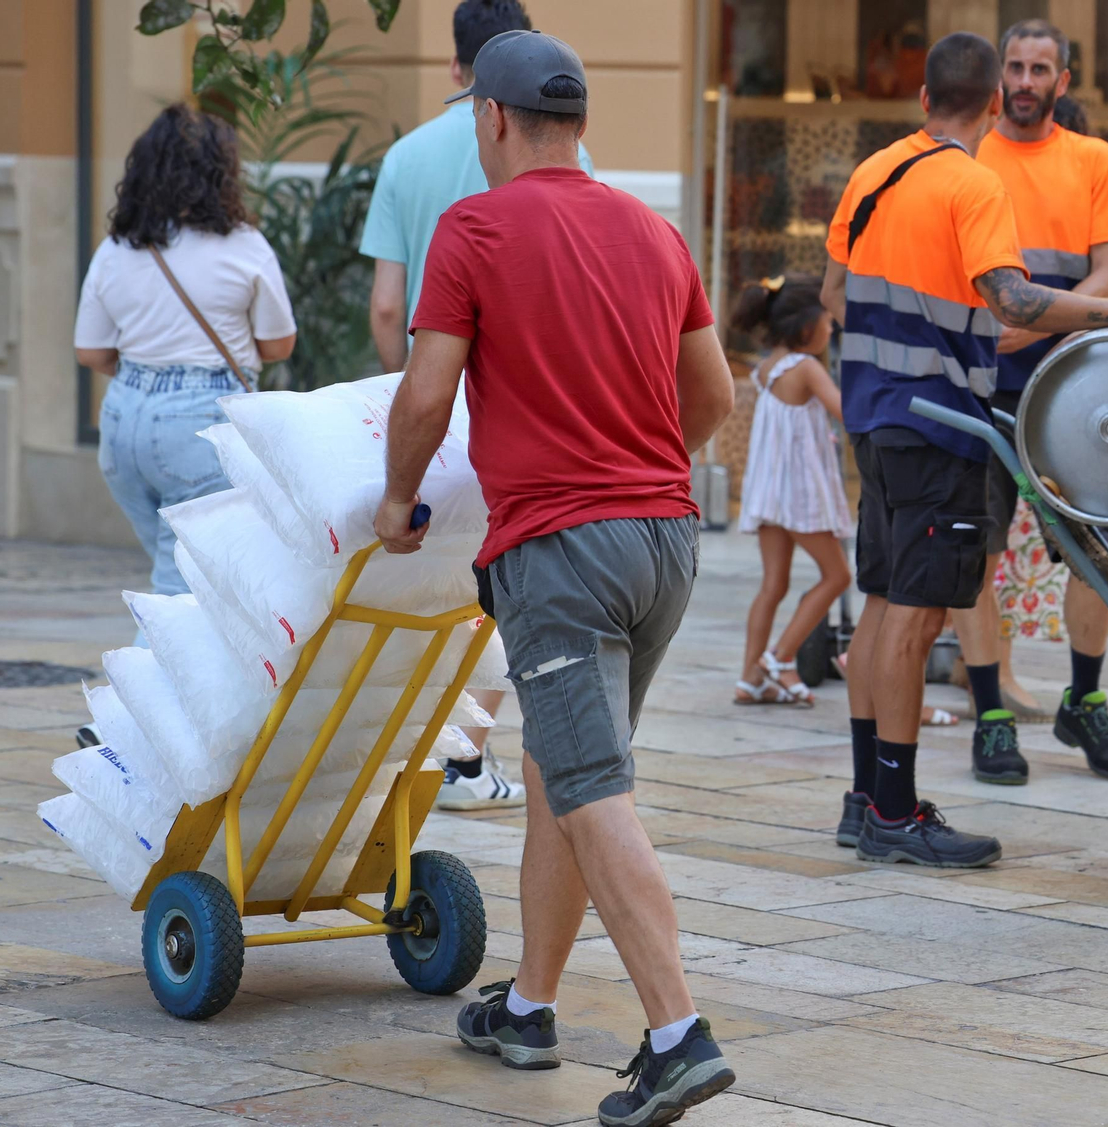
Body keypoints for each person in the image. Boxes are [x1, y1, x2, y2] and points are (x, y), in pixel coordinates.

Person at [371, 30, 736, 1127]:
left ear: (491, 118)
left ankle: (676, 1033)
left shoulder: (474, 226)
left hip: (559, 551)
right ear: (575, 124)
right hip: (663, 540)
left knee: (588, 784)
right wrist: (639, 456)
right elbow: (713, 398)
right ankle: (526, 1003)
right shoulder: (650, 229)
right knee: (561, 771)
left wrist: (396, 502)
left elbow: (427, 392)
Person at [821, 32, 1108, 868]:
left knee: (883, 605)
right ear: (993, 102)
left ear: (924, 100)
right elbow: (1014, 299)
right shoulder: (974, 182)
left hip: (876, 418)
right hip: (940, 426)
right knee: (915, 623)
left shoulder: (873, 171)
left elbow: (833, 293)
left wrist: (896, 351)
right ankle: (893, 811)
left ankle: (864, 800)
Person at [361, 0, 592, 809]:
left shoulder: (407, 158)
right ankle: (465, 746)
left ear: (463, 77)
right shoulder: (573, 155)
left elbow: (389, 307)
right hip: (535, 418)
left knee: (420, 589)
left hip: (427, 407)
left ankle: (420, 744)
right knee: (494, 588)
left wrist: (411, 397)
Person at [955, 19, 1108, 787]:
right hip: (980, 385)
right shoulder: (969, 156)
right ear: (998, 77)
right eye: (1015, 67)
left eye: (1042, 68)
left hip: (1071, 390)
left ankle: (1086, 699)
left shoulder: (1096, 160)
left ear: (1064, 81)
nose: (1027, 81)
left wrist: (1031, 316)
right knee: (978, 550)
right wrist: (997, 326)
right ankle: (991, 716)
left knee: (1091, 558)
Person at [75, 103, 295, 603]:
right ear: (222, 175)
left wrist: (146, 372)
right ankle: (143, 682)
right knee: (181, 590)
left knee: (175, 568)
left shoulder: (118, 247)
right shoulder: (244, 246)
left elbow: (90, 351)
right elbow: (279, 344)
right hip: (198, 423)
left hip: (123, 421)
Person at [730, 274, 854, 707]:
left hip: (769, 492)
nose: (832, 330)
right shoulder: (806, 368)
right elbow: (845, 411)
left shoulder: (767, 367)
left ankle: (749, 677)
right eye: (828, 323)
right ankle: (781, 658)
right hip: (798, 494)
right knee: (838, 576)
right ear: (806, 327)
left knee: (773, 584)